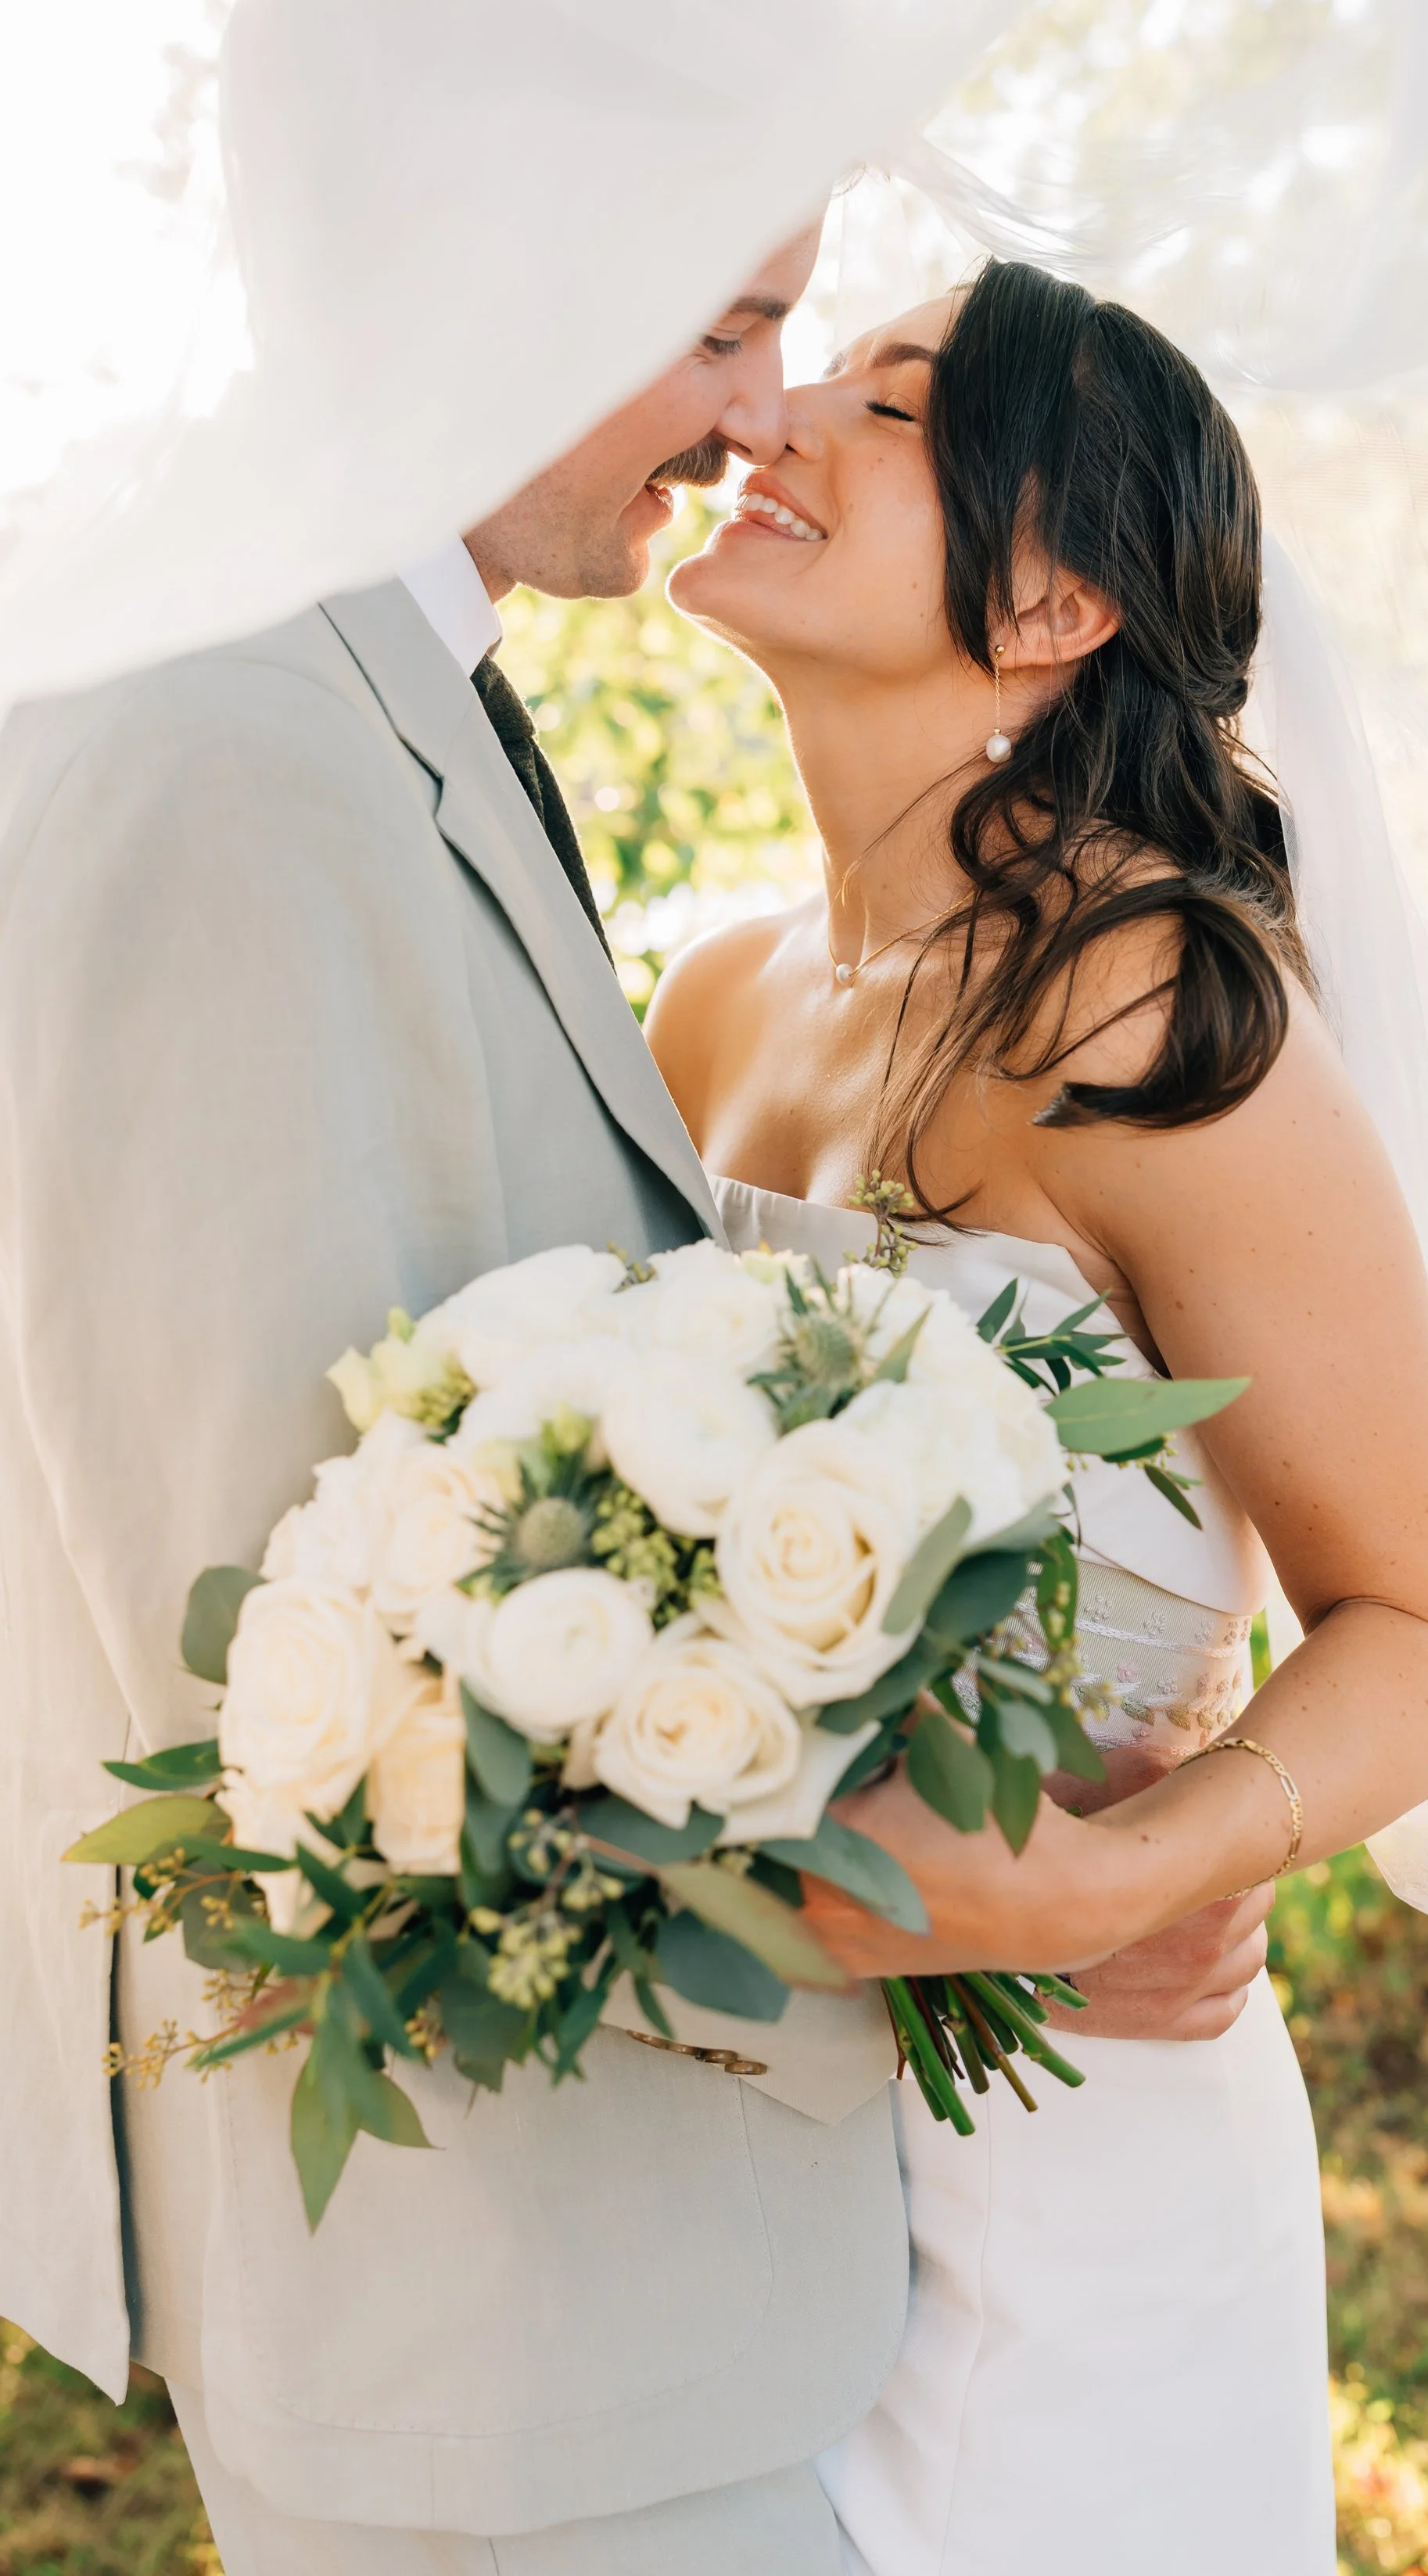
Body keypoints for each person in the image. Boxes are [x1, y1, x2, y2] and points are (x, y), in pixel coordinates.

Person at [0, 225, 937, 2576]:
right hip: (497, 2322)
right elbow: (294, 1664)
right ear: (491, 252)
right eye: (723, 322)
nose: (760, 412)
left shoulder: (362, 684)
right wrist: (1005, 1886)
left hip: (614, 2283)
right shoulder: (214, 754)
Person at [649, 257, 1428, 2571]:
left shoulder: (1153, 1004)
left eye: (886, 403)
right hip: (725, 2092)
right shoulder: (717, 991)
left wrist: (1138, 1870)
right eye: (799, 372)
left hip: (1073, 2151)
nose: (779, 417)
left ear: (1050, 595)